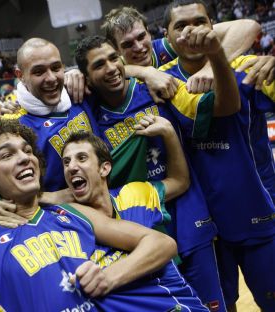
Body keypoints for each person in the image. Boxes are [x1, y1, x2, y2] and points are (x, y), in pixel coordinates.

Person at [0, 119, 201, 312]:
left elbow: (162, 244)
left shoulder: (72, 212)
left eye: (27, 151)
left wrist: (108, 277)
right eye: (7, 155)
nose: (24, 157)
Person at [74, 33, 240, 311]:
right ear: (87, 78)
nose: (112, 68)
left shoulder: (157, 86)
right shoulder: (86, 111)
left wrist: (146, 73)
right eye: (99, 64)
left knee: (215, 303)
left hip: (186, 209)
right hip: (138, 218)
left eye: (114, 58)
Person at [160, 0, 275, 310]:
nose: (191, 31)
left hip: (259, 215)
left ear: (213, 26)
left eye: (199, 21)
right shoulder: (159, 81)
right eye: (180, 26)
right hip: (205, 230)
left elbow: (248, 27)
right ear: (167, 39)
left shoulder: (248, 66)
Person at [60, 125, 207, 311]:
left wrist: (168, 132)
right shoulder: (66, 221)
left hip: (177, 304)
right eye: (66, 162)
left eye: (82, 158)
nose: (71, 167)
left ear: (104, 168)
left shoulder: (135, 193)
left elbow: (179, 182)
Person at [0, 38, 98, 217]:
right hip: (63, 220)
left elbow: (121, 66)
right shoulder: (12, 125)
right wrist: (49, 196)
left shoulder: (81, 91)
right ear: (20, 76)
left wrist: (78, 72)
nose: (51, 78)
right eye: (39, 72)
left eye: (56, 68)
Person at [65, 6, 260, 103]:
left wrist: (211, 68)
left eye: (142, 37)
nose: (139, 47)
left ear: (150, 32)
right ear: (117, 50)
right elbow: (90, 73)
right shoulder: (113, 70)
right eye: (128, 44)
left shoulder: (171, 44)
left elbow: (248, 26)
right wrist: (74, 74)